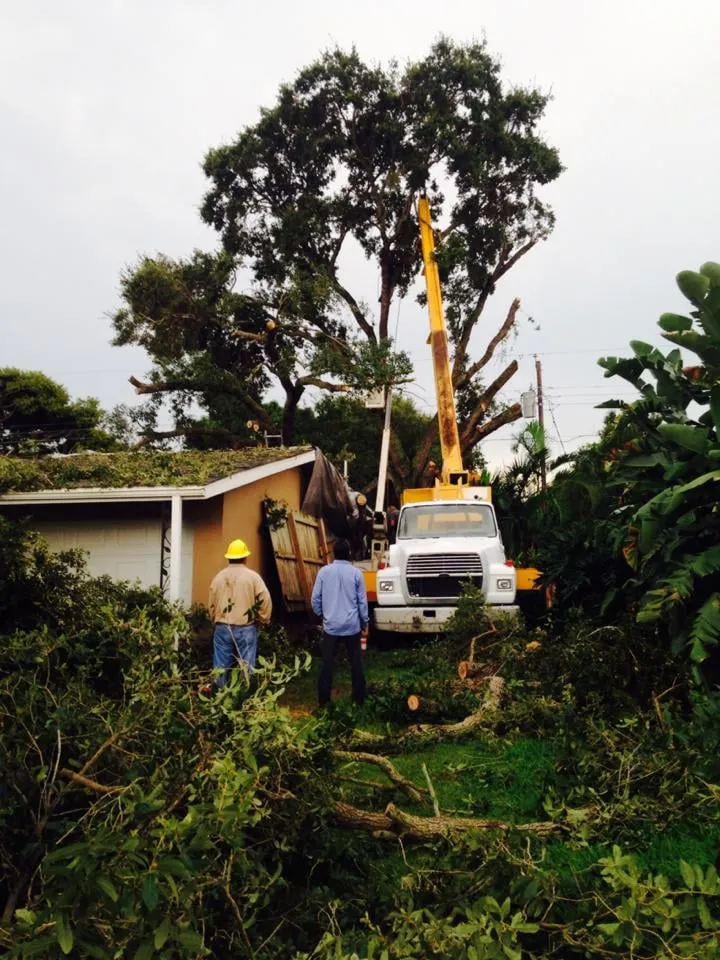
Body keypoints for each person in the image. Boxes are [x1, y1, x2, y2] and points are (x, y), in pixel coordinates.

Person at [311, 537, 368, 707]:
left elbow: (315, 599)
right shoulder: (357, 573)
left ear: (334, 553)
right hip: (352, 626)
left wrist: (323, 614)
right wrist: (364, 623)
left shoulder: (324, 572)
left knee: (327, 663)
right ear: (349, 553)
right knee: (356, 662)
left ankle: (324, 701)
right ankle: (359, 699)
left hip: (331, 626)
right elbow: (362, 602)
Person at [208, 538, 272, 687]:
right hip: (246, 628)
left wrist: (215, 620)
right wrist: (263, 619)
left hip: (222, 627)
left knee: (220, 668)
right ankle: (246, 697)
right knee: (247, 667)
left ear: (228, 557)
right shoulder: (253, 577)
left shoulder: (218, 578)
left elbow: (211, 605)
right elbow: (265, 599)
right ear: (245, 557)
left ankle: (219, 696)